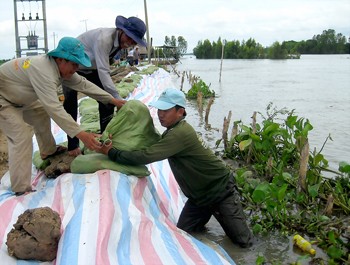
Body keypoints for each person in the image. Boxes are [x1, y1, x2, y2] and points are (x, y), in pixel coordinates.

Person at [96, 88, 253, 248]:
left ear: (180, 112)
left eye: (166, 110)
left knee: (243, 243)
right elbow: (150, 144)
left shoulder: (179, 134)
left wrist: (112, 153)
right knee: (185, 234)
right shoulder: (174, 131)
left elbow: (145, 156)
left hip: (219, 191)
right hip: (199, 198)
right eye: (159, 110)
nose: (160, 114)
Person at [0, 37, 125, 196]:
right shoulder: (43, 70)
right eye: (74, 64)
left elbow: (84, 84)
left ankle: (48, 151)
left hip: (21, 98)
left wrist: (112, 100)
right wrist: (81, 134)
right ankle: (21, 188)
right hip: (3, 99)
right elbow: (54, 108)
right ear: (60, 59)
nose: (76, 68)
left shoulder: (60, 69)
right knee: (21, 136)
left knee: (40, 112)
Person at [63, 15, 147, 156]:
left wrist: (113, 100)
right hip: (73, 68)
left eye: (134, 41)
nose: (130, 43)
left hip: (92, 69)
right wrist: (118, 99)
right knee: (70, 104)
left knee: (107, 102)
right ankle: (73, 146)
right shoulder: (104, 39)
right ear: (121, 30)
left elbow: (103, 68)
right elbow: (104, 71)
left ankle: (105, 139)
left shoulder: (119, 44)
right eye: (129, 38)